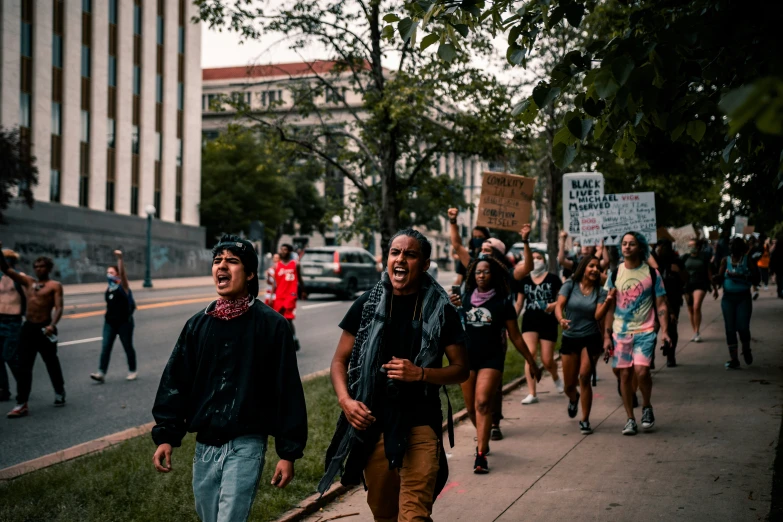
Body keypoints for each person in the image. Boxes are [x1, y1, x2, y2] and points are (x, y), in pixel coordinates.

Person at [151, 234, 307, 522]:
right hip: (205, 445)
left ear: (249, 274)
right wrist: (166, 435)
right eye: (217, 261)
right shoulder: (198, 325)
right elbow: (176, 382)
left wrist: (288, 453)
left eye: (232, 261)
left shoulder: (272, 326)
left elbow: (287, 391)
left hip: (246, 443)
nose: (222, 266)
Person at [318, 229, 469, 521]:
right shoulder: (367, 305)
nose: (400, 260)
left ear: (424, 264)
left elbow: (461, 370)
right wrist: (346, 401)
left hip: (420, 422)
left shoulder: (442, 311)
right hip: (374, 423)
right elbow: (339, 361)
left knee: (413, 516)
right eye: (395, 253)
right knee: (384, 514)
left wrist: (421, 373)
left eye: (410, 254)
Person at [452, 255, 540, 472]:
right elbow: (452, 329)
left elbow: (516, 336)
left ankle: (480, 455)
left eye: (486, 271)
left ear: (494, 275)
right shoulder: (464, 298)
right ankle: (483, 437)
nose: (481, 275)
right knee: (472, 408)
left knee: (482, 403)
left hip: (492, 358)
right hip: (468, 358)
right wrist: (452, 308)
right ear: (473, 274)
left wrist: (531, 361)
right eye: (478, 271)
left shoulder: (502, 302)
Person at [603, 232, 669, 435]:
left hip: (645, 330)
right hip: (621, 332)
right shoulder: (614, 274)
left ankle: (647, 407)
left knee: (641, 371)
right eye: (624, 244)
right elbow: (610, 307)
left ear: (640, 247)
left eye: (631, 244)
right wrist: (606, 336)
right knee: (624, 375)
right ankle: (630, 418)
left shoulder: (651, 273)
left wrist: (665, 330)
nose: (627, 247)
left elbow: (661, 303)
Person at [0, 248, 65, 418]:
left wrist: (52, 324)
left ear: (48, 268)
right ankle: (21, 403)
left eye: (42, 266)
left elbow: (59, 307)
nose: (38, 269)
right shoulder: (28, 282)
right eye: (36, 266)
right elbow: (6, 269)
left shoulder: (55, 286)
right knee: (24, 367)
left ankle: (59, 392)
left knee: (51, 362)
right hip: (28, 328)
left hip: (45, 328)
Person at [555, 256, 614, 434]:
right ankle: (574, 399)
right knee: (569, 385)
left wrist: (609, 300)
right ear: (583, 268)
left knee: (584, 377)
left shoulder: (600, 291)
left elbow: (598, 315)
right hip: (570, 337)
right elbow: (559, 306)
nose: (595, 270)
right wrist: (561, 320)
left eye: (597, 267)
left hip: (590, 337)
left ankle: (585, 419)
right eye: (591, 266)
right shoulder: (570, 285)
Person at [517, 249, 563, 404]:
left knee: (547, 359)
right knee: (529, 354)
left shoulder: (553, 279)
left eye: (539, 258)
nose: (536, 260)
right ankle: (532, 393)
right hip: (530, 320)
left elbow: (563, 299)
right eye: (533, 258)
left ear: (545, 260)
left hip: (548, 321)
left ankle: (555, 376)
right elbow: (519, 303)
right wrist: (510, 322)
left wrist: (554, 305)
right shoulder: (524, 280)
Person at [90, 250, 137, 383]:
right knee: (106, 347)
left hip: (124, 323)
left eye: (111, 273)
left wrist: (120, 259)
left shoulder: (123, 288)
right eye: (108, 273)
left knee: (128, 346)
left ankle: (132, 370)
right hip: (110, 323)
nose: (108, 275)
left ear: (117, 275)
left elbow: (123, 274)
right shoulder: (109, 288)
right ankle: (101, 373)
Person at [717, 237, 759, 369]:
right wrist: (714, 277)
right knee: (730, 329)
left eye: (734, 246)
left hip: (743, 298)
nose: (732, 248)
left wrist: (742, 276)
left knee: (743, 327)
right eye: (730, 246)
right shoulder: (725, 260)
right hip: (728, 299)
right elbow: (719, 278)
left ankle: (746, 350)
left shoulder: (748, 260)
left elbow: (757, 278)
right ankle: (733, 359)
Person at [653, 240, 687, 367]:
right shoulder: (653, 263)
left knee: (672, 328)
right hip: (655, 300)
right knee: (653, 329)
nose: (661, 250)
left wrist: (678, 271)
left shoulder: (676, 262)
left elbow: (685, 280)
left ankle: (670, 356)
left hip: (673, 300)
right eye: (659, 247)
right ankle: (650, 358)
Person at [0, 249, 25, 402]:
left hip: (13, 321)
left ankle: (23, 385)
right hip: (0, 320)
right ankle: (3, 390)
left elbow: (27, 297)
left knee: (10, 356)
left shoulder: (19, 277)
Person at [682, 238, 715, 342]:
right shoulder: (685, 257)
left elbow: (709, 273)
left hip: (701, 284)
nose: (691, 248)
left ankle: (697, 331)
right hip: (688, 285)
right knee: (690, 308)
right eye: (689, 246)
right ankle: (695, 331)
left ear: (698, 247)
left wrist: (714, 287)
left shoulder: (704, 257)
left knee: (696, 307)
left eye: (693, 246)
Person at [274, 244, 301, 351]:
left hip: (291, 295)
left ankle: (294, 339)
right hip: (280, 295)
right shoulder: (277, 265)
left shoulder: (295, 264)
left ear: (289, 251)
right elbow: (274, 283)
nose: (283, 251)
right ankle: (280, 340)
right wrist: (272, 295)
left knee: (288, 319)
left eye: (285, 249)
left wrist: (303, 291)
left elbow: (299, 278)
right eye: (281, 249)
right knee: (278, 319)